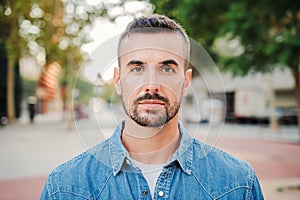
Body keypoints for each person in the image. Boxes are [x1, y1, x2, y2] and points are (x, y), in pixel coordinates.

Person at [41, 14, 264, 199]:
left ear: (186, 82)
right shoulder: (63, 188)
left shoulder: (239, 184)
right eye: (137, 68)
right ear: (118, 81)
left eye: (167, 69)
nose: (151, 85)